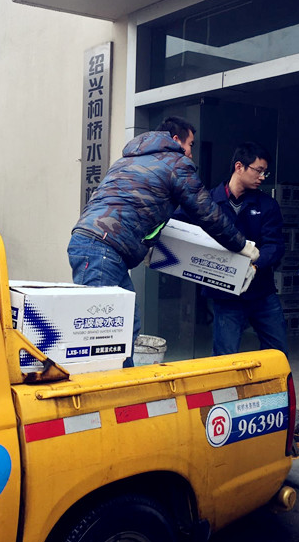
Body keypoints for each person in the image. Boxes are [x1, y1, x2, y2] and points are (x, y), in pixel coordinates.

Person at [68, 116, 260, 366]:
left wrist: (146, 244)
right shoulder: (175, 162)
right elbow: (206, 212)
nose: (191, 152)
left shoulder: (129, 159)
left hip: (98, 246)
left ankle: (126, 383)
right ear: (176, 140)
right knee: (104, 333)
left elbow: (138, 206)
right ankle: (106, 388)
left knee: (127, 324)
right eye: (190, 144)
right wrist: (241, 245)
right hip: (103, 249)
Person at [197, 141, 287, 356]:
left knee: (277, 354)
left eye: (265, 172)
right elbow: (180, 226)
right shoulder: (209, 202)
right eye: (258, 170)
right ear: (239, 166)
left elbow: (274, 245)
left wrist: (255, 265)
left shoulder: (267, 205)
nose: (262, 177)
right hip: (225, 295)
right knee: (225, 357)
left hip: (261, 292)